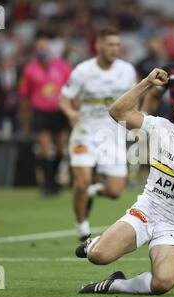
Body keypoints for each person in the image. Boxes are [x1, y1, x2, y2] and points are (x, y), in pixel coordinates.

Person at [75, 68, 174, 295]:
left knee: (162, 284)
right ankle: (94, 245)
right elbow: (117, 111)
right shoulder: (160, 128)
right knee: (98, 256)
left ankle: (115, 284)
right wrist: (147, 82)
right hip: (147, 211)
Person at [59, 28, 137, 242]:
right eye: (110, 44)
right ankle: (82, 228)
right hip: (85, 133)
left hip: (113, 135)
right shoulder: (83, 70)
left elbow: (133, 100)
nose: (114, 49)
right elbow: (64, 98)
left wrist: (136, 125)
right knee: (81, 181)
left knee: (115, 191)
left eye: (117, 45)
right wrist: (70, 112)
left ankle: (92, 192)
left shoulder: (127, 70)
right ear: (98, 45)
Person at [19, 34, 72, 196]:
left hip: (59, 112)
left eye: (45, 48)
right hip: (41, 112)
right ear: (35, 51)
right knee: (45, 148)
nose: (42, 51)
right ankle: (48, 185)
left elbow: (72, 90)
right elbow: (25, 98)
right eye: (39, 49)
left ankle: (54, 179)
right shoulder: (29, 70)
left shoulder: (62, 67)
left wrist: (72, 112)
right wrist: (26, 120)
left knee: (61, 149)